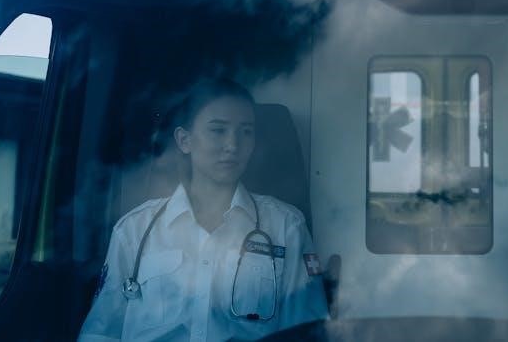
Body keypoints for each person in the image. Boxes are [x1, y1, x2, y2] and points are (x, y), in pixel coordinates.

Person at [80, 78, 328, 341]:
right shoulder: (133, 230)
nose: (233, 145)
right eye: (218, 130)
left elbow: (307, 333)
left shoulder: (286, 226)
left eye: (246, 132)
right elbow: (100, 334)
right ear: (184, 140)